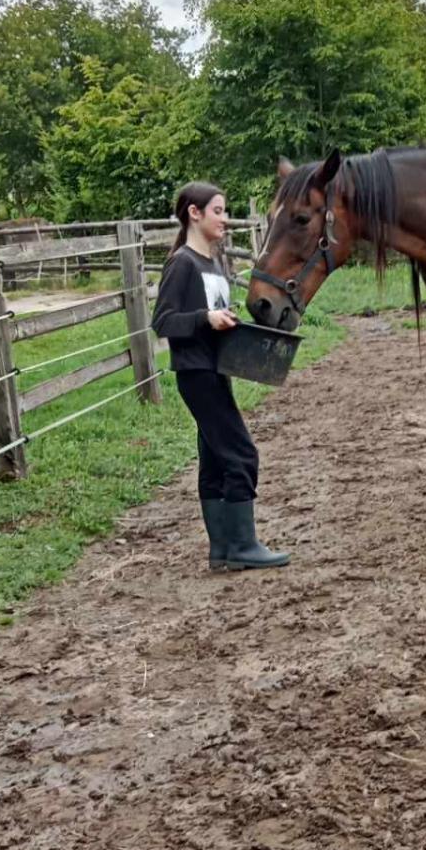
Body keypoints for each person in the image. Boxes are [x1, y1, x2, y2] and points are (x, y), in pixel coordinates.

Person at [152, 182, 290, 571]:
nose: (224, 218)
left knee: (215, 459)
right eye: (217, 210)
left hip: (218, 369)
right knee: (242, 454)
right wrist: (205, 319)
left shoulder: (213, 263)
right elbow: (162, 322)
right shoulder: (182, 263)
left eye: (225, 211)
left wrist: (233, 326)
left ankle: (222, 551)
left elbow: (216, 317)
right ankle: (243, 546)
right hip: (197, 372)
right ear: (194, 213)